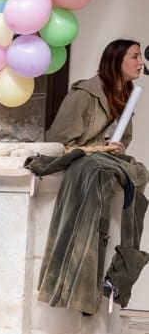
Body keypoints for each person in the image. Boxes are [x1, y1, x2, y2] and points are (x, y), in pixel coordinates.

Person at [34, 38, 148, 314]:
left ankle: (118, 278)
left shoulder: (126, 96)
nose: (140, 62)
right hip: (86, 164)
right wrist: (98, 149)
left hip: (109, 163)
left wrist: (114, 148)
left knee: (139, 174)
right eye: (134, 56)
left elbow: (121, 141)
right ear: (116, 61)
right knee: (97, 172)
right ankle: (81, 283)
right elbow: (59, 142)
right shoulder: (84, 94)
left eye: (140, 56)